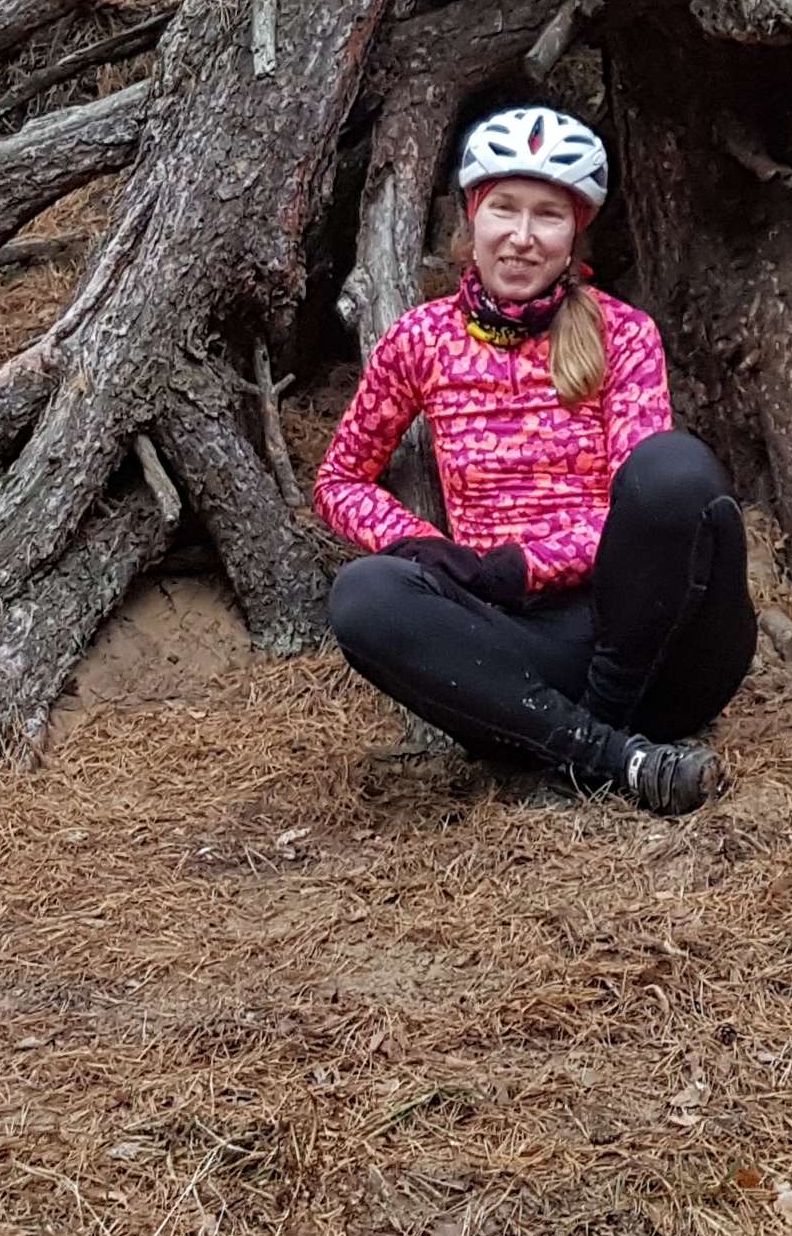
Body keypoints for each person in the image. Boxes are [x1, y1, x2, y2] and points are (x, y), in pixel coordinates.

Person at [312, 106, 750, 814]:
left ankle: (600, 732)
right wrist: (427, 549)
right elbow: (339, 480)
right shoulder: (419, 340)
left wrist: (522, 565)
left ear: (576, 231)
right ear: (471, 219)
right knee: (364, 594)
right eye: (503, 209)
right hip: (526, 654)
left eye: (547, 215)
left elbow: (645, 502)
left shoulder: (623, 334)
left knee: (676, 471)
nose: (521, 237)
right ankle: (616, 760)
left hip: (652, 644)